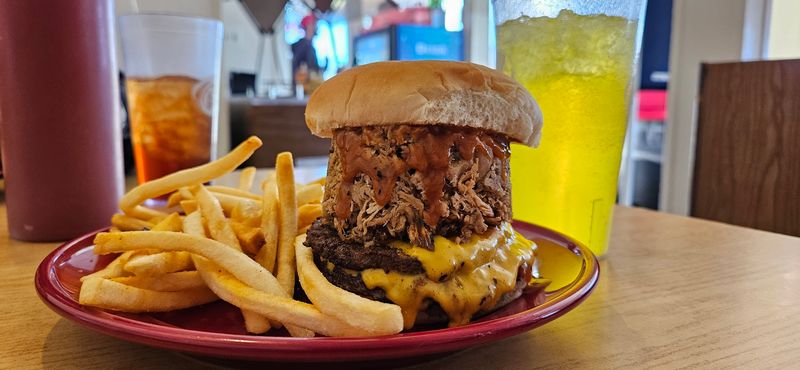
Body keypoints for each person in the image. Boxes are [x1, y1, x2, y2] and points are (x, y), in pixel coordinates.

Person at [291, 15, 323, 88]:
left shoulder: (309, 45)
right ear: (308, 26)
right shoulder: (302, 45)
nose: (316, 26)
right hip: (306, 87)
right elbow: (297, 68)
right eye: (313, 24)